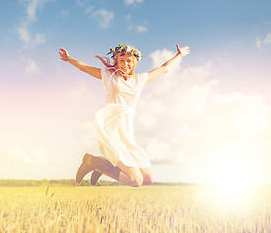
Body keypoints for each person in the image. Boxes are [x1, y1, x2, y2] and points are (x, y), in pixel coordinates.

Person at [59, 43, 190, 187]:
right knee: (136, 181)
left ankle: (102, 164)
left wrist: (179, 55)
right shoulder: (109, 76)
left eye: (129, 61)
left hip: (127, 132)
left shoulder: (139, 80)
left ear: (134, 63)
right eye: (122, 60)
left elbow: (164, 69)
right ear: (116, 61)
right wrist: (69, 58)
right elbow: (84, 67)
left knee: (148, 178)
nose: (125, 64)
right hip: (111, 130)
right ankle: (97, 163)